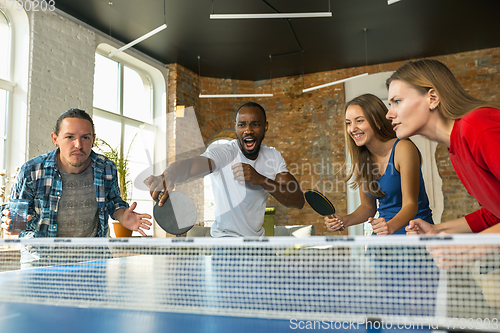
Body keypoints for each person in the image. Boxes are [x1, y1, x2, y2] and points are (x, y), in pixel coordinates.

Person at [0, 109, 151, 266]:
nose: (78, 145)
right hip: (41, 261)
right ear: (55, 138)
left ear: (93, 139)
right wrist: (12, 225)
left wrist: (122, 216)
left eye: (85, 137)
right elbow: (15, 219)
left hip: (93, 260)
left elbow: (113, 202)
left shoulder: (106, 168)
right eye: (70, 137)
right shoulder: (31, 170)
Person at [147, 101, 304, 237]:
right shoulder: (225, 153)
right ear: (235, 127)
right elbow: (190, 165)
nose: (248, 130)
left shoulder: (273, 156)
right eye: (242, 125)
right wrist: (169, 174)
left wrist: (262, 180)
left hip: (257, 244)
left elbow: (298, 200)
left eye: (255, 124)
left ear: (266, 126)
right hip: (225, 243)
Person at [385, 59, 500, 235]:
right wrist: (436, 230)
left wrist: (466, 249)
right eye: (390, 104)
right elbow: (494, 214)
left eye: (397, 101)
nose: (389, 114)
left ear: (433, 98)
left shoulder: (478, 127)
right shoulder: (455, 151)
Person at [325, 93, 433, 235]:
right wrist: (344, 220)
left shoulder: (403, 148)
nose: (352, 129)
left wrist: (389, 227)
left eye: (359, 121)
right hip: (383, 235)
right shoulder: (362, 158)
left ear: (376, 121)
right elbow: (367, 208)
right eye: (348, 123)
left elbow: (410, 205)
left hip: (414, 233)